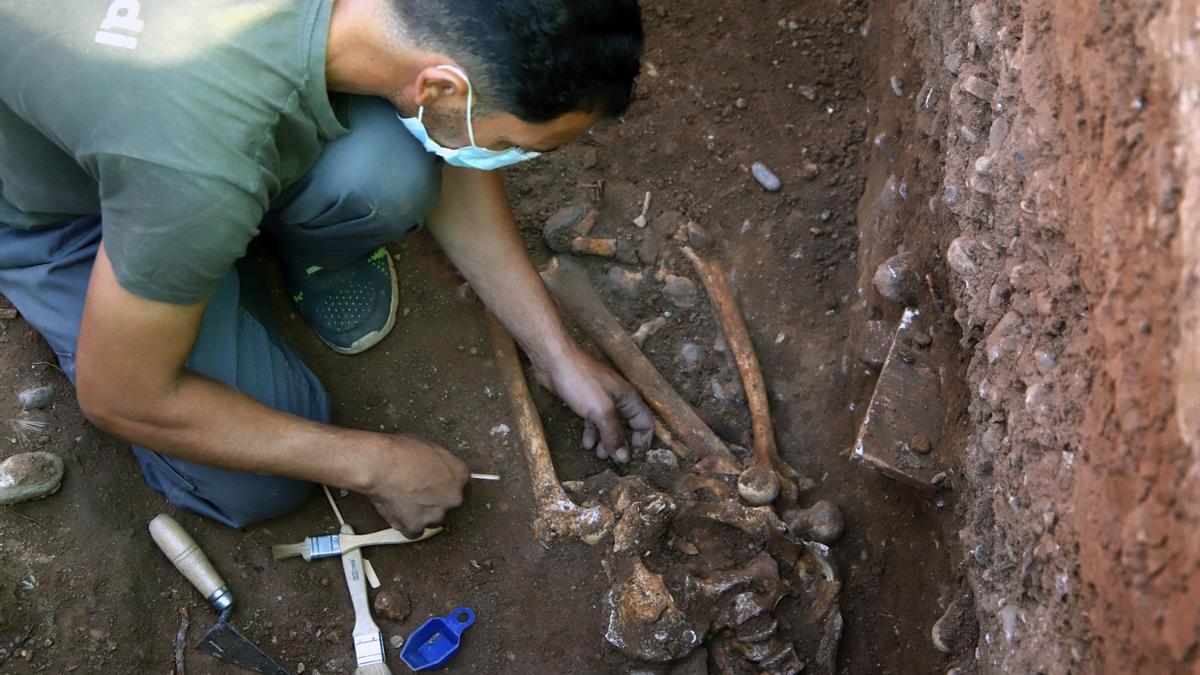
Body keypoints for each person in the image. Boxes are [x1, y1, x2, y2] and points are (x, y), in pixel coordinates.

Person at [0, 0, 654, 532]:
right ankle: (189, 280)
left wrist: (556, 352)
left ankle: (197, 275)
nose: (505, 156)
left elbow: (458, 131)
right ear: (440, 84)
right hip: (65, 207)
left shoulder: (409, 33)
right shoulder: (195, 166)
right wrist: (376, 462)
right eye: (511, 144)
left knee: (388, 173)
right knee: (256, 481)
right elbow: (120, 395)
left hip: (168, 162)